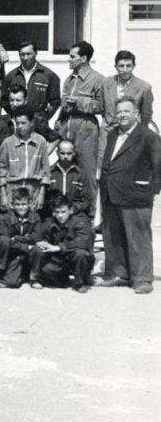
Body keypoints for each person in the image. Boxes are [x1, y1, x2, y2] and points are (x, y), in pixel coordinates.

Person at [97, 97, 161, 294]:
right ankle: (118, 274)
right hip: (111, 193)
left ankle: (142, 279)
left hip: (136, 196)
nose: (122, 115)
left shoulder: (148, 136)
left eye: (126, 111)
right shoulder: (113, 134)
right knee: (113, 238)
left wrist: (149, 191)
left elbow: (158, 166)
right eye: (119, 112)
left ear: (136, 114)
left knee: (138, 239)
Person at [57, 41, 104, 193]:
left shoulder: (97, 79)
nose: (69, 60)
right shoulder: (69, 80)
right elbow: (64, 105)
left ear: (83, 59)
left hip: (86, 131)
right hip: (67, 130)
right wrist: (58, 121)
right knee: (67, 173)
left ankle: (88, 208)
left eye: (73, 57)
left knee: (86, 173)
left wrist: (79, 102)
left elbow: (103, 106)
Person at [28, 193, 94, 293]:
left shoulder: (80, 222)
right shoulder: (49, 222)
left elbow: (83, 241)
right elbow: (41, 238)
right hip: (59, 260)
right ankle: (38, 279)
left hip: (73, 257)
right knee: (40, 255)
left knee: (81, 254)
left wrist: (59, 247)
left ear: (70, 210)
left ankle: (79, 283)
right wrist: (44, 243)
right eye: (57, 212)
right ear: (53, 212)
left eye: (63, 212)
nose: (60, 215)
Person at [99, 50, 155, 164]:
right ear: (115, 66)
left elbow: (146, 116)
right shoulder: (106, 83)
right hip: (108, 131)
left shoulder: (144, 87)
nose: (125, 70)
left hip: (130, 133)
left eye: (128, 66)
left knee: (126, 165)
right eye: (121, 66)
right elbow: (102, 107)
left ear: (134, 66)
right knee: (104, 164)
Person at [0, 187, 42, 288]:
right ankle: (21, 273)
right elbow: (7, 241)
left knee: (38, 249)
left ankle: (34, 278)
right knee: (12, 283)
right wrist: (26, 243)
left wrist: (16, 238)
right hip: (15, 253)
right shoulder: (6, 218)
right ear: (12, 205)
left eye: (24, 204)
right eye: (17, 204)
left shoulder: (36, 217)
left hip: (30, 252)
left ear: (30, 203)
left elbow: (36, 238)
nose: (21, 207)